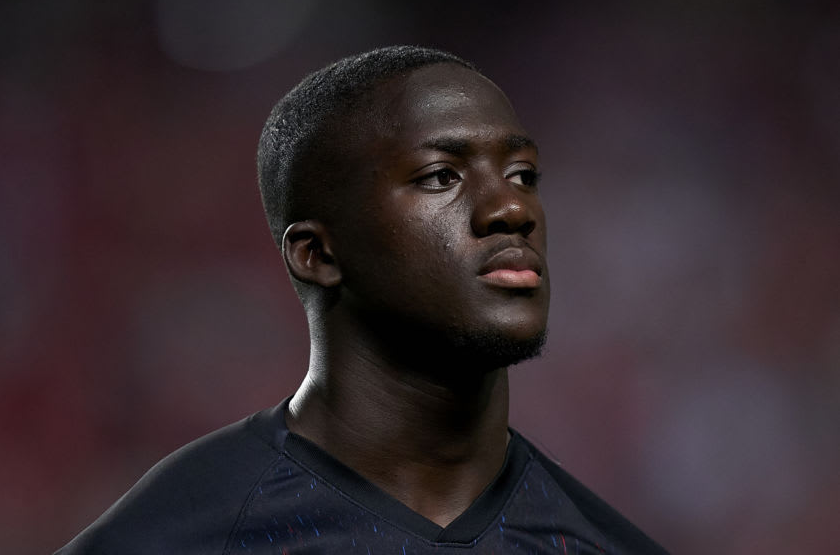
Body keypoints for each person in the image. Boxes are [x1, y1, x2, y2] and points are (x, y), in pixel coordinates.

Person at [56, 46, 667, 554]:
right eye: (440, 177)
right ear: (317, 255)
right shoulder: (178, 539)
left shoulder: (600, 544)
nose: (512, 209)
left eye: (523, 174)